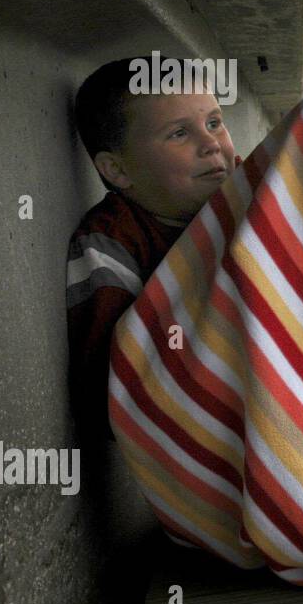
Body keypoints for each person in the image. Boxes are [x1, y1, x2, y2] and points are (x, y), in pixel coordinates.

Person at [66, 57, 240, 442]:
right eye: (179, 133)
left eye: (214, 122)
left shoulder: (259, 191)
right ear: (117, 170)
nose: (212, 144)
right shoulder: (110, 241)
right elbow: (109, 391)